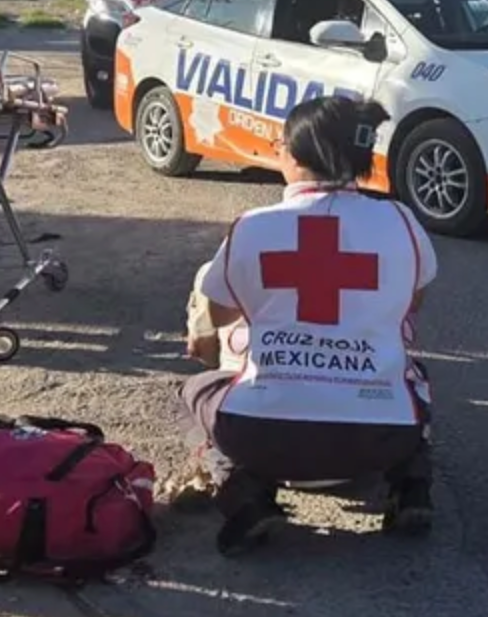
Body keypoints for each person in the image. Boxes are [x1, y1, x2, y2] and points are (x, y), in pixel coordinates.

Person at [179, 95, 438, 556]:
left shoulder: (254, 226)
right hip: (379, 438)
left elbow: (214, 317)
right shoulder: (402, 222)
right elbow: (409, 303)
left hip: (263, 434)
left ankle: (246, 495)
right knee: (416, 380)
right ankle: (410, 486)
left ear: (293, 155)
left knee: (194, 390)